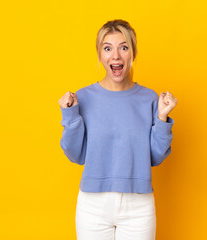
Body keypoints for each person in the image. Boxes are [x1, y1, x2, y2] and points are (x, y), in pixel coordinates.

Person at [58, 19, 177, 240]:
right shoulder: (83, 97)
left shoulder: (149, 98)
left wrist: (162, 117)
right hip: (92, 205)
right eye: (107, 48)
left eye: (124, 47)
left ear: (133, 53)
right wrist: (70, 116)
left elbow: (155, 157)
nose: (116, 56)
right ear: (99, 55)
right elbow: (76, 155)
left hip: (138, 206)